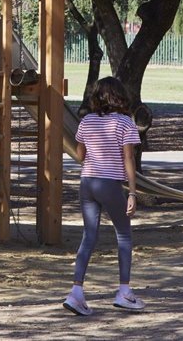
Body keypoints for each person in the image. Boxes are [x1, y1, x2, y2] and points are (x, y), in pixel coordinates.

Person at [63, 76, 146, 316]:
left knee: (89, 236)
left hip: (87, 183)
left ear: (97, 97)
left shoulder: (86, 121)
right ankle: (123, 292)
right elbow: (128, 159)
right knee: (124, 235)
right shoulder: (124, 123)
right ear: (119, 96)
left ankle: (76, 293)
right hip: (110, 184)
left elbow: (80, 155)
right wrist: (132, 191)